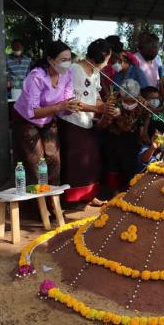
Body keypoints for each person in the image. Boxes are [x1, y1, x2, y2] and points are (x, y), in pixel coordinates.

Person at [13, 40, 77, 188]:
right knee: (34, 162)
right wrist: (59, 106)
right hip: (25, 120)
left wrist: (71, 106)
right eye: (63, 60)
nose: (67, 64)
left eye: (69, 60)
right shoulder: (36, 77)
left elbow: (67, 100)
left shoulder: (67, 74)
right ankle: (36, 207)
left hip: (48, 119)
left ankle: (53, 204)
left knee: (53, 160)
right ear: (50, 60)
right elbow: (32, 112)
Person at [57, 39, 111, 203]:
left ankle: (88, 196)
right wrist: (98, 109)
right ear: (102, 57)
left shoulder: (95, 73)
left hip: (86, 122)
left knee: (92, 159)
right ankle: (72, 198)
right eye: (108, 59)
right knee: (75, 161)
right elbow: (71, 102)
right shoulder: (74, 70)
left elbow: (96, 97)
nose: (108, 64)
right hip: (70, 121)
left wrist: (107, 107)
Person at [99, 79, 149, 190]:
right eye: (127, 100)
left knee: (129, 162)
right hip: (112, 133)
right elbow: (104, 118)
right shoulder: (111, 99)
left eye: (132, 101)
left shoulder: (142, 103)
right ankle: (114, 190)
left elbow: (145, 117)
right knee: (112, 161)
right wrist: (114, 117)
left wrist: (144, 131)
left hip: (132, 135)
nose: (129, 104)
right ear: (121, 96)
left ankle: (128, 189)